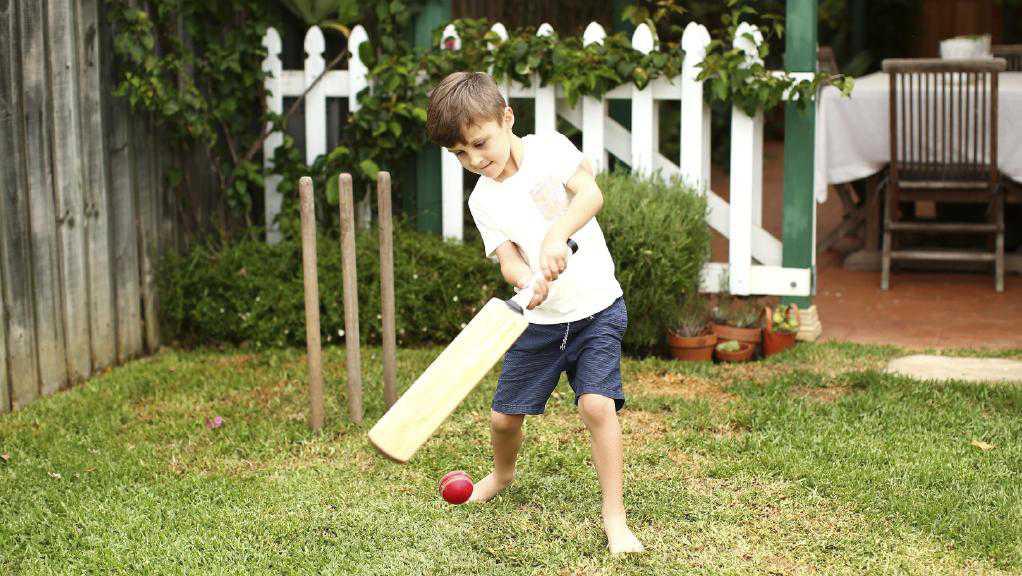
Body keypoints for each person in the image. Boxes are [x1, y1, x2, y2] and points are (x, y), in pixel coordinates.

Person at [425, 71, 644, 555]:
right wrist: (528, 281)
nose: (475, 160)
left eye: (480, 143)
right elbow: (507, 262)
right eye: (460, 154)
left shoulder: (549, 149)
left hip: (597, 310)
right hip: (541, 324)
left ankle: (615, 516)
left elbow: (590, 195)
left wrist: (554, 235)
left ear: (507, 118)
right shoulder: (482, 199)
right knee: (504, 419)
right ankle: (502, 475)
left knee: (596, 405)